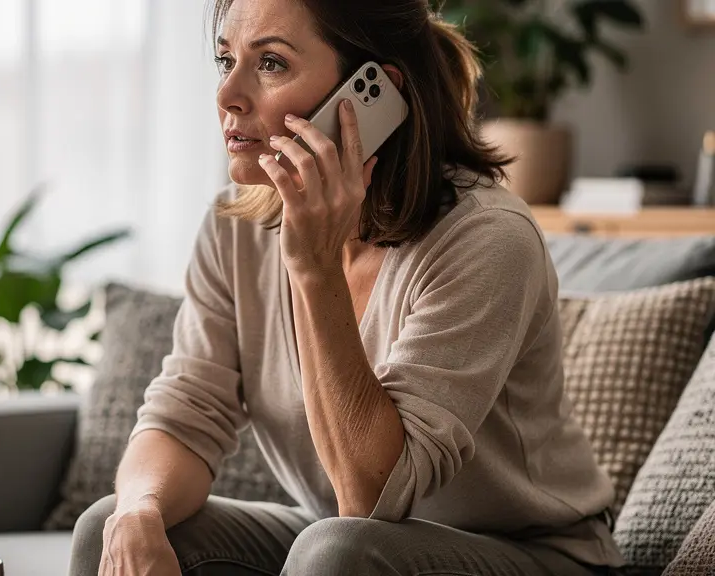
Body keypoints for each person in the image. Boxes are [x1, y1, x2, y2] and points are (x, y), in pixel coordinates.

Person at [69, 0, 625, 574]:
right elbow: (186, 415)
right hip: (348, 539)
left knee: (337, 550)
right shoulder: (235, 227)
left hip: (537, 555)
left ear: (372, 94)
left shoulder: (488, 240)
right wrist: (140, 511)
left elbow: (371, 495)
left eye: (271, 64)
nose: (227, 94)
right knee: (109, 527)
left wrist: (313, 267)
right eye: (225, 58)